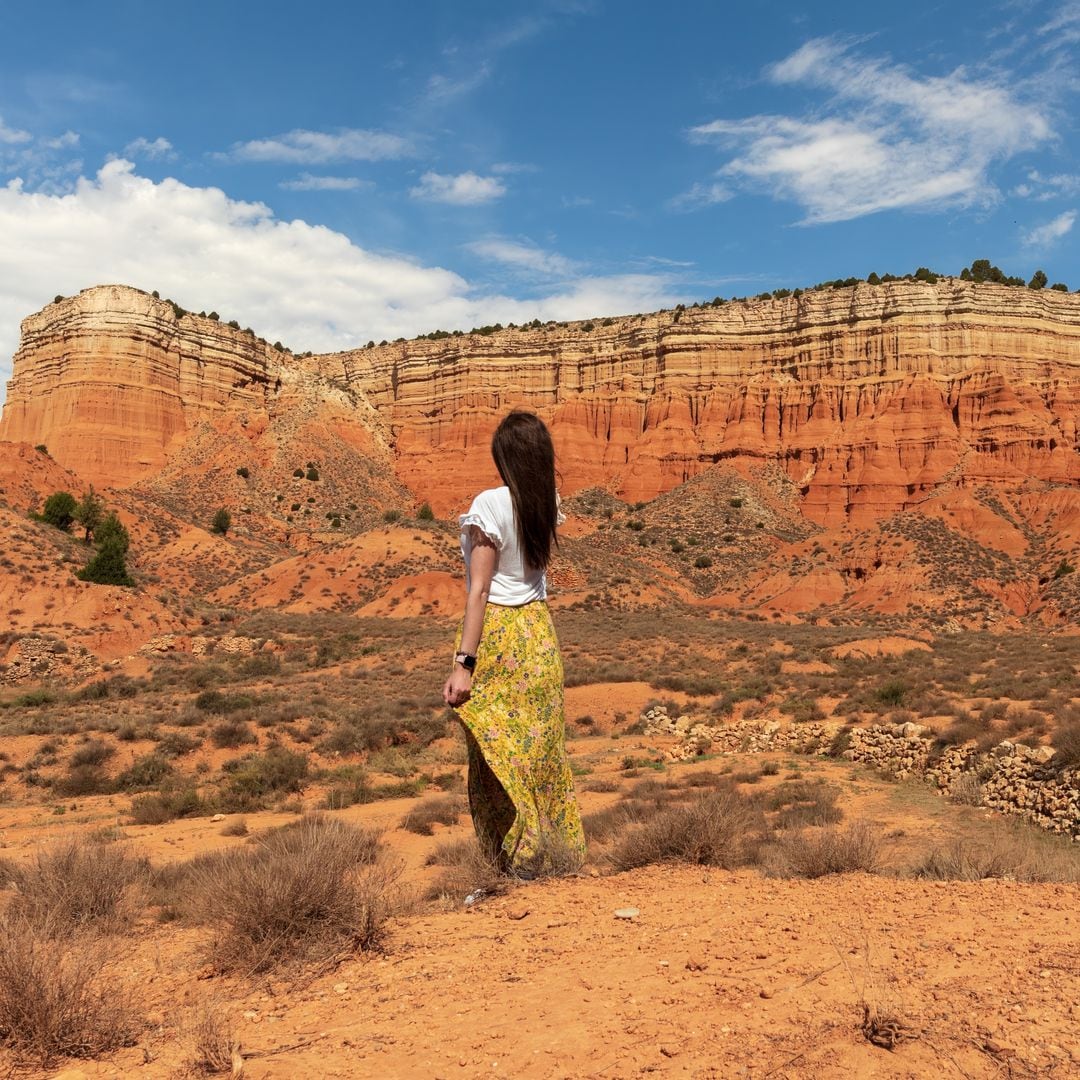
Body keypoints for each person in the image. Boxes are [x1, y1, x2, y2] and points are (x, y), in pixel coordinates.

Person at [442, 410, 585, 879]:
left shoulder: (489, 504)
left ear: (504, 457)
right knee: (541, 754)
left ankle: (513, 862)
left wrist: (464, 663)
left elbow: (479, 591)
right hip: (540, 639)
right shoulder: (546, 502)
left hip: (501, 639)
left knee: (494, 757)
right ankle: (552, 857)